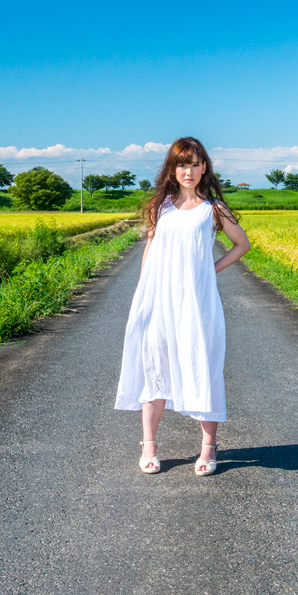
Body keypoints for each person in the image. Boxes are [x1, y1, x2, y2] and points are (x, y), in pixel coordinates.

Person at [115, 136, 251, 476]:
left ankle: (208, 449)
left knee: (202, 365)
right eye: (181, 164)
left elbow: (241, 245)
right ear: (171, 169)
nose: (187, 171)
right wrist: (143, 294)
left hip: (197, 302)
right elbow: (150, 250)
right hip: (158, 300)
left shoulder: (214, 209)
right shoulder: (161, 207)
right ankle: (149, 446)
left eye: (194, 163)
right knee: (154, 366)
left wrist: (210, 270)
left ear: (204, 168)